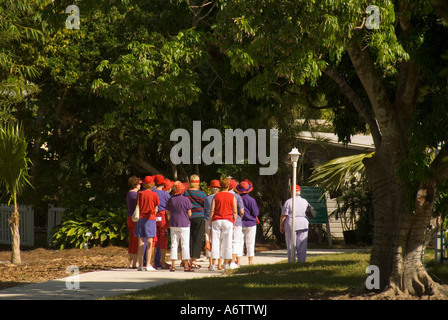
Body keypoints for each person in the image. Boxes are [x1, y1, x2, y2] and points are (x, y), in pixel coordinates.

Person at [209, 177, 237, 271]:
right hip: (228, 220)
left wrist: (210, 222)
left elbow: (212, 210)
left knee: (215, 242)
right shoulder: (232, 197)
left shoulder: (216, 196)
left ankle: (213, 264)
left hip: (216, 220)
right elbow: (235, 212)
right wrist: (234, 222)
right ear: (228, 186)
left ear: (220, 186)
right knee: (227, 242)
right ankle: (225, 263)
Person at [166, 181, 194, 272]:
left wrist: (170, 219)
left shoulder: (171, 199)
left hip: (174, 223)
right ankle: (186, 265)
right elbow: (189, 213)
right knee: (185, 244)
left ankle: (173, 265)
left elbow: (168, 212)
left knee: (174, 244)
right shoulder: (186, 200)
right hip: (184, 224)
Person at [134, 176, 160, 271]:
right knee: (150, 241)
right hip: (150, 218)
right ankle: (148, 264)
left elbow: (137, 205)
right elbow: (156, 208)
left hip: (140, 218)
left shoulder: (139, 193)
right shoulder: (154, 195)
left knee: (140, 241)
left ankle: (140, 264)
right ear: (152, 184)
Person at [280, 185, 310, 263]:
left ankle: (291, 261)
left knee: (291, 244)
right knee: (302, 245)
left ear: (291, 192)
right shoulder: (305, 201)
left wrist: (281, 225)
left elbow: (283, 215)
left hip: (291, 224)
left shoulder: (289, 201)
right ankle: (302, 261)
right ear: (299, 192)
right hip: (303, 223)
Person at [183, 174, 207, 269]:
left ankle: (187, 259)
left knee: (188, 238)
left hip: (187, 217)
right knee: (197, 238)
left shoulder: (185, 193)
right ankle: (193, 260)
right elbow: (205, 205)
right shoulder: (202, 194)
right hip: (199, 217)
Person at [237, 179, 259, 265]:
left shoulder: (237, 199)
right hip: (251, 223)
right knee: (250, 242)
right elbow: (256, 212)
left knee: (239, 242)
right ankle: (250, 261)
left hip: (240, 223)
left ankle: (238, 261)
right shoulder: (251, 200)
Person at [151, 174, 171, 269]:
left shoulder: (151, 192)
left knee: (154, 239)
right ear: (163, 183)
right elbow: (169, 206)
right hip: (163, 217)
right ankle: (163, 262)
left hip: (153, 216)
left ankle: (152, 262)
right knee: (163, 239)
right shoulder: (165, 194)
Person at [203, 179, 220, 268]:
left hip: (207, 219)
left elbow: (205, 209)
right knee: (219, 240)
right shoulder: (220, 197)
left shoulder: (207, 198)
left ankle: (210, 263)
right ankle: (219, 263)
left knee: (208, 240)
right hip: (217, 219)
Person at [125, 176, 141, 268]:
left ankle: (131, 261)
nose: (140, 185)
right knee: (135, 240)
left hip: (129, 217)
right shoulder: (136, 195)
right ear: (135, 185)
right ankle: (135, 262)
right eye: (139, 184)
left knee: (131, 239)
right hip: (135, 218)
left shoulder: (129, 193)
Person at [229, 179, 245, 269]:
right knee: (236, 242)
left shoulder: (220, 195)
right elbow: (241, 211)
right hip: (237, 221)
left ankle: (226, 261)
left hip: (225, 219)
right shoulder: (237, 197)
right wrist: (241, 215)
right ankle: (233, 261)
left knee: (227, 241)